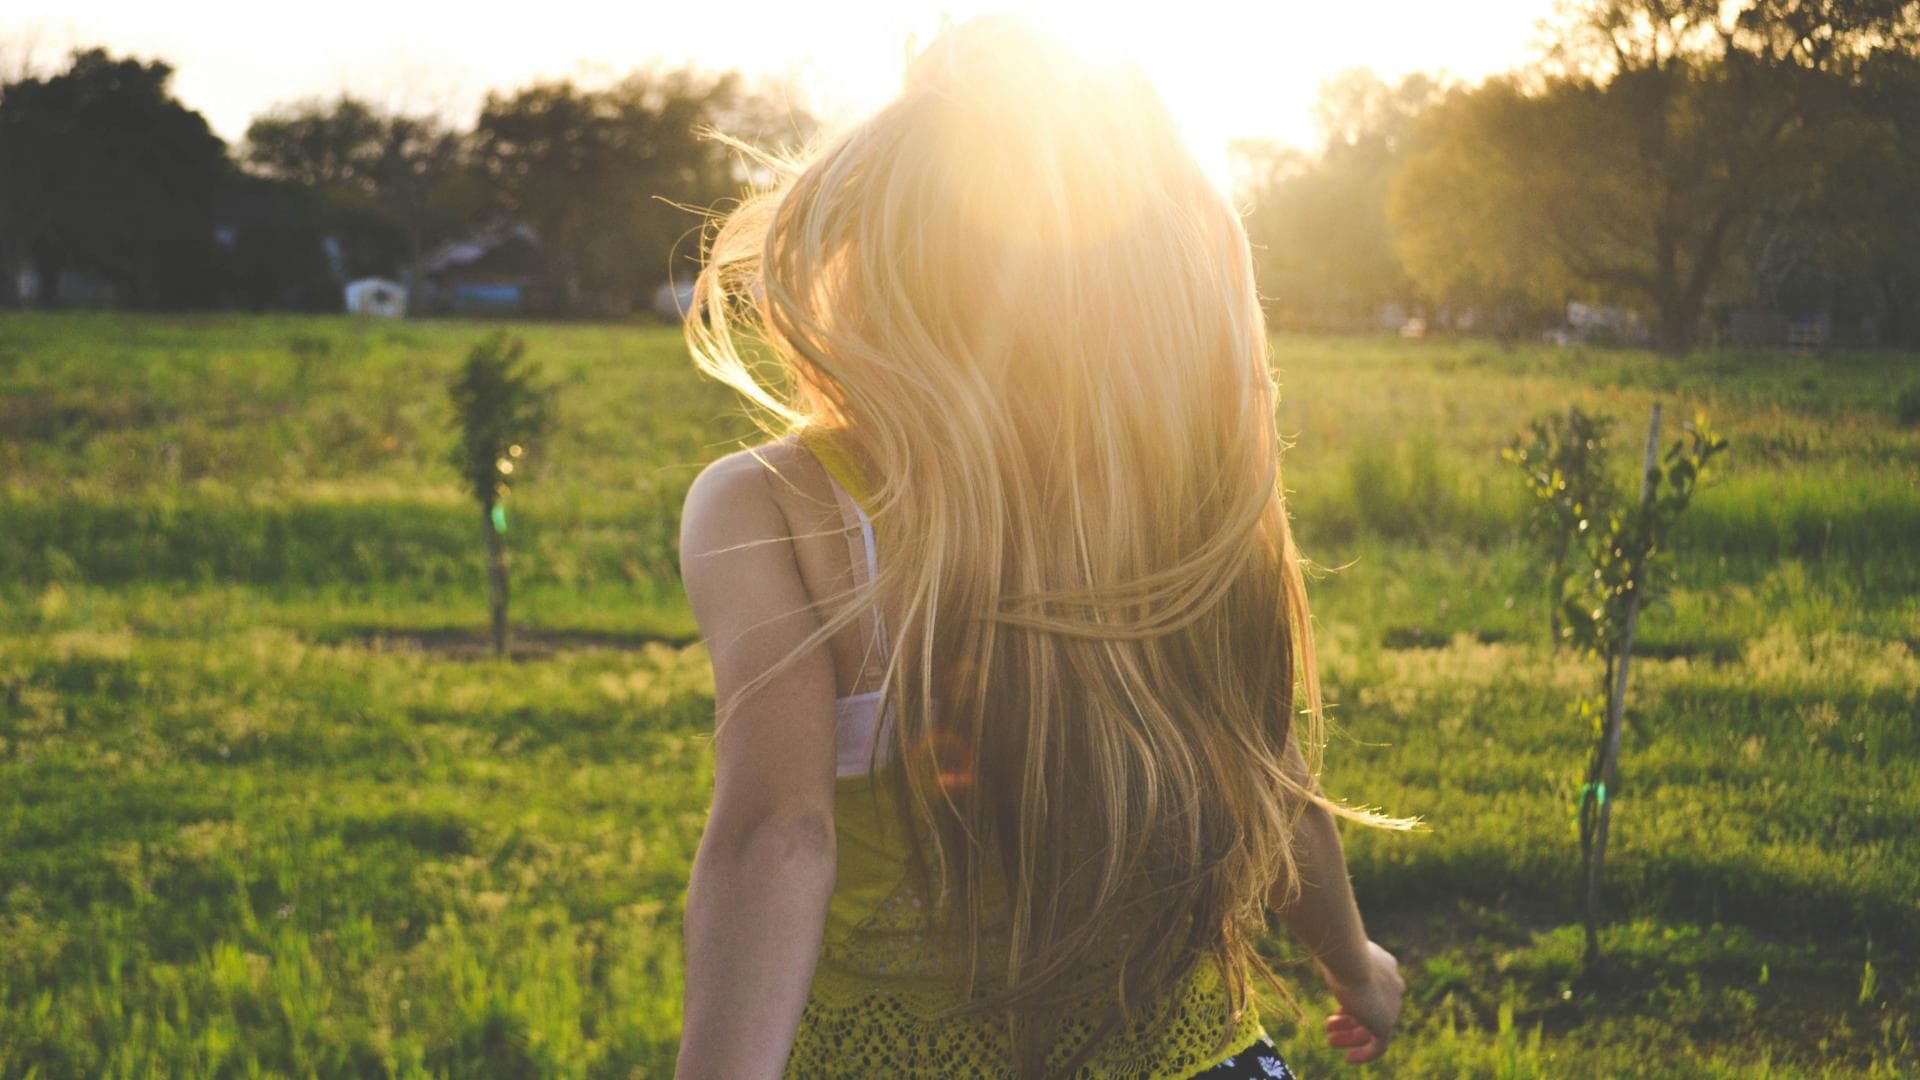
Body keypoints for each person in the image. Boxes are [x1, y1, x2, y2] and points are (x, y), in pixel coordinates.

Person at [673, 17, 1413, 1080]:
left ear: (860, 260)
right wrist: (1356, 963)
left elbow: (778, 835)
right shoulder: (1172, 499)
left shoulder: (774, 504)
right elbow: (1266, 768)